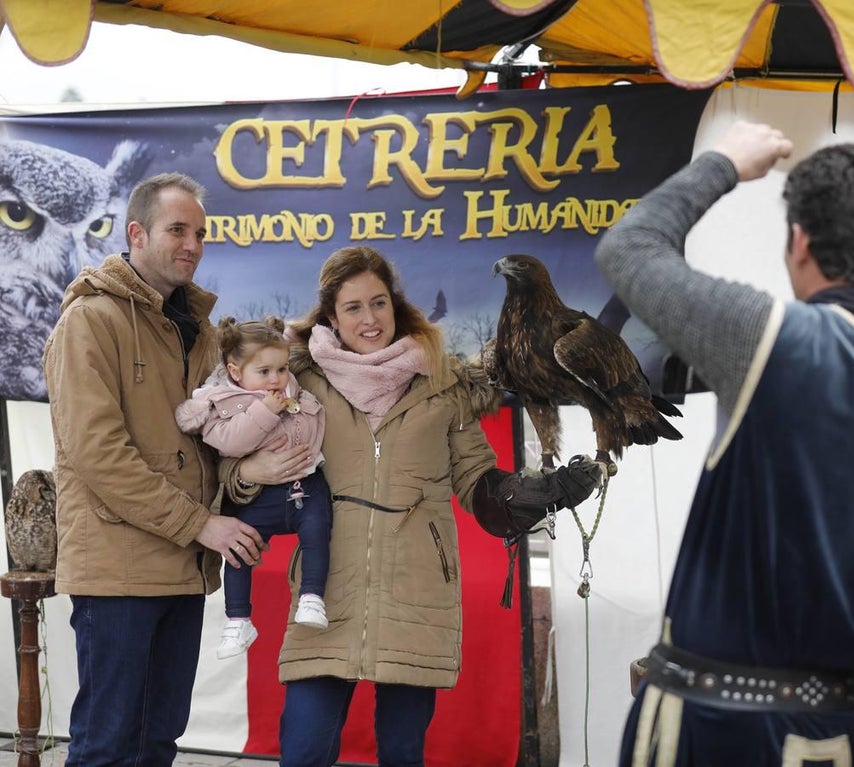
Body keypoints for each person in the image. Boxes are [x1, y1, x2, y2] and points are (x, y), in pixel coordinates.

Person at [594, 121, 854, 766]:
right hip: (833, 733)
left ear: (798, 242)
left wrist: (722, 163)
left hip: (709, 730)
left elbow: (628, 249)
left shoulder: (769, 337)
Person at [216, 244, 604, 767]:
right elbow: (234, 447)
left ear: (395, 306)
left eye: (378, 303)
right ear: (331, 315)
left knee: (402, 752)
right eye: (353, 307)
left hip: (418, 587)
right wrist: (246, 475)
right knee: (304, 749)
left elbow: (476, 480)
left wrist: (535, 494)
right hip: (326, 588)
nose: (369, 318)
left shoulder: (442, 383)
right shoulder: (299, 382)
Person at [42, 173, 267, 767]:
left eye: (199, 233)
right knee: (107, 745)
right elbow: (98, 455)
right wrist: (202, 525)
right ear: (136, 233)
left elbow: (211, 440)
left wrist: (249, 476)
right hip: (118, 571)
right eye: (177, 230)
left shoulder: (199, 331)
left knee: (157, 742)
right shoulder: (90, 321)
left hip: (181, 567)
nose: (191, 243)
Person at [176, 316, 332, 659]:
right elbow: (229, 444)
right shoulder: (222, 403)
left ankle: (312, 596)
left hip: (302, 482)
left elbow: (312, 422)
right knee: (238, 550)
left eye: (282, 368)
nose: (276, 379)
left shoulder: (291, 389)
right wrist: (265, 412)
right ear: (235, 372)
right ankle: (238, 618)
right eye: (264, 372)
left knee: (318, 528)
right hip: (256, 497)